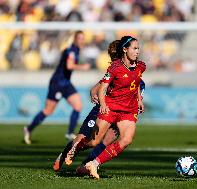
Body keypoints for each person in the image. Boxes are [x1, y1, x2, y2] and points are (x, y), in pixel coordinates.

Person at [52, 39, 146, 172]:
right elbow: (96, 89)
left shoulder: (138, 75)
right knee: (84, 138)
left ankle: (86, 165)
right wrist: (95, 96)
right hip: (104, 108)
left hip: (123, 113)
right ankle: (65, 154)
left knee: (107, 142)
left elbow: (136, 90)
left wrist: (138, 101)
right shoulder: (116, 70)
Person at [23, 31, 91, 144]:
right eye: (79, 38)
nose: (82, 40)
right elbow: (69, 65)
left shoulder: (75, 50)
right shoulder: (72, 50)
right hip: (57, 83)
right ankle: (28, 129)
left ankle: (69, 133)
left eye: (83, 38)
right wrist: (83, 67)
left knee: (78, 106)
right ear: (75, 39)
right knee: (48, 111)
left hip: (66, 83)